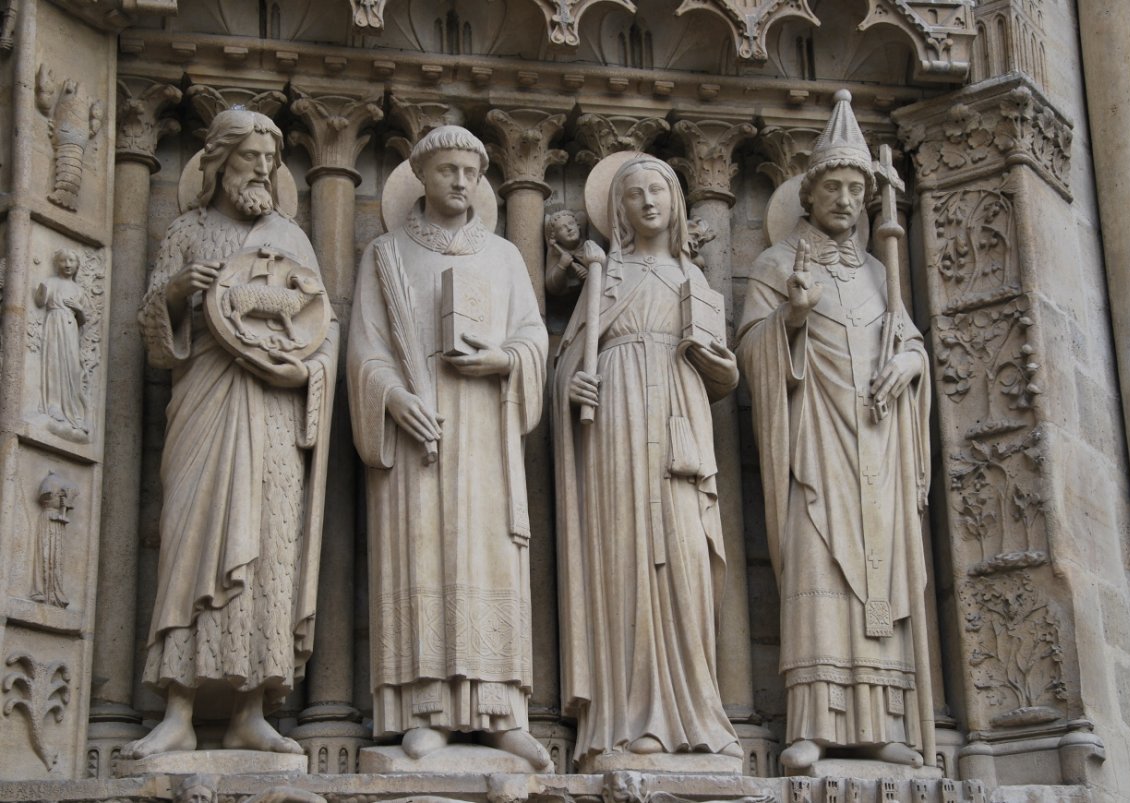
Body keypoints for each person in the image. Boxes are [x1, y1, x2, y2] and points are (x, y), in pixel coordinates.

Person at [123, 109, 337, 758]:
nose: (263, 172)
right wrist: (184, 289)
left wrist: (301, 368)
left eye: (270, 163)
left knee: (268, 547)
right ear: (218, 163)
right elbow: (153, 336)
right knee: (192, 542)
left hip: (271, 406)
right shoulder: (188, 230)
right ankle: (178, 710)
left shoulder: (293, 240)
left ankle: (252, 709)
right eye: (250, 160)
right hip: (206, 400)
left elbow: (320, 327)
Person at [736, 91, 932, 771]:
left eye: (857, 189)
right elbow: (751, 351)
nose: (846, 200)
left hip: (876, 441)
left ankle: (883, 722)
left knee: (881, 581)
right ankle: (814, 721)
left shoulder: (883, 273)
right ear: (809, 195)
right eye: (835, 188)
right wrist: (790, 318)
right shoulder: (777, 265)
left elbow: (908, 342)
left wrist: (910, 363)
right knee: (821, 574)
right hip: (814, 445)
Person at [347, 126, 550, 769]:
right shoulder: (386, 253)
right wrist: (391, 398)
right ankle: (423, 707)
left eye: (470, 171)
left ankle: (500, 712)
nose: (460, 182)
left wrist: (504, 360)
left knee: (490, 558)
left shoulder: (504, 257)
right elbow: (363, 349)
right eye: (447, 171)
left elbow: (534, 339)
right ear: (422, 177)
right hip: (419, 427)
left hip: (487, 422)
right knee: (421, 554)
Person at [554, 154, 742, 770]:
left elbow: (725, 370)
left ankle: (695, 717)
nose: (648, 202)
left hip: (680, 432)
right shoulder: (604, 276)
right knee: (625, 563)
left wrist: (715, 366)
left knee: (687, 560)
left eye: (658, 189)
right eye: (634, 194)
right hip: (615, 434)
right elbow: (567, 361)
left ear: (677, 200)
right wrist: (569, 389)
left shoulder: (699, 283)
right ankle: (631, 722)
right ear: (620, 209)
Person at [35, 249, 89, 438]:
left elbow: (83, 319)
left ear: (77, 265)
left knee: (72, 369)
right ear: (57, 263)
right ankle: (54, 404)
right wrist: (41, 290)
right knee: (54, 364)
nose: (67, 265)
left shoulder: (79, 290)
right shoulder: (51, 282)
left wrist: (79, 308)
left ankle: (73, 411)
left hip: (70, 328)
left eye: (72, 261)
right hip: (54, 324)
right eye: (64, 261)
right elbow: (40, 301)